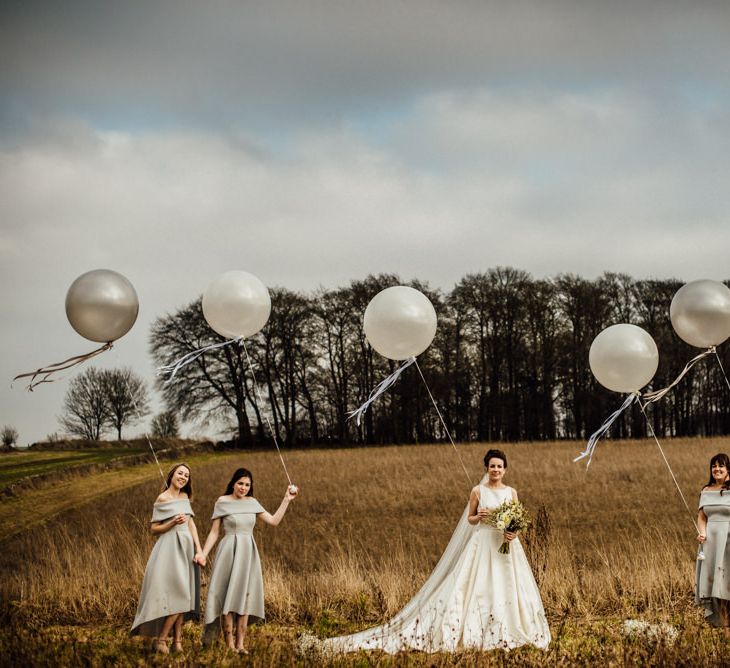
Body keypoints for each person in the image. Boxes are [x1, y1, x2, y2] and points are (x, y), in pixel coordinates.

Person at [323, 449, 550, 653]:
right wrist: (477, 516)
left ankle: (510, 626)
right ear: (486, 468)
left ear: (505, 469)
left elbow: (518, 521)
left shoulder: (511, 492)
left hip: (505, 546)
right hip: (482, 544)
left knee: (507, 585)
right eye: (492, 466)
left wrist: (514, 533)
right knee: (478, 584)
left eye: (499, 466)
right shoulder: (477, 491)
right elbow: (469, 520)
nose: (496, 470)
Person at [200, 468, 299, 653]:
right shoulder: (222, 502)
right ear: (233, 483)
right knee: (228, 597)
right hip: (228, 551)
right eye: (240, 483)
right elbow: (214, 532)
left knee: (245, 598)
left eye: (247, 484)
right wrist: (203, 554)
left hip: (248, 553)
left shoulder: (253, 502)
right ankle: (229, 645)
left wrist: (286, 499)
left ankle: (240, 645)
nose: (243, 487)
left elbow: (274, 521)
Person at [130, 462, 204, 654]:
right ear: (171, 475)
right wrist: (172, 522)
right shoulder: (162, 498)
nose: (183, 477)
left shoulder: (185, 497)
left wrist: (199, 549)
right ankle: (161, 639)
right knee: (180, 595)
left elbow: (191, 525)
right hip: (169, 549)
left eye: (186, 475)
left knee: (184, 594)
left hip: (187, 549)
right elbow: (154, 529)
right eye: (180, 473)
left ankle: (177, 642)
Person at [696, 452, 730, 631]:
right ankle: (726, 630)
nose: (716, 469)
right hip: (712, 544)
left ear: (728, 469)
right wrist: (702, 534)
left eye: (721, 466)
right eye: (714, 466)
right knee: (718, 587)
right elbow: (702, 517)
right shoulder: (706, 491)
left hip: (729, 542)